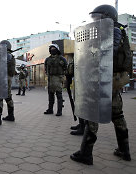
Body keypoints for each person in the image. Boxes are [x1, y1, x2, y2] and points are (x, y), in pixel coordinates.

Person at [70, 4, 132, 165]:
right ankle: (124, 150)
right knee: (117, 115)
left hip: (106, 79)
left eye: (97, 17)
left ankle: (86, 153)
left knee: (93, 114)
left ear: (107, 17)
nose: (95, 21)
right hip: (113, 80)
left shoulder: (113, 30)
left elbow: (107, 52)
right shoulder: (118, 30)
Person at [43, 44, 67, 116]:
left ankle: (59, 111)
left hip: (58, 78)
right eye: (51, 48)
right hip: (50, 78)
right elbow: (46, 68)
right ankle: (50, 109)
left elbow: (66, 68)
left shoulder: (62, 59)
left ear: (57, 49)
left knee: (59, 95)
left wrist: (63, 77)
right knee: (50, 95)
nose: (52, 50)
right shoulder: (47, 59)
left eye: (54, 48)